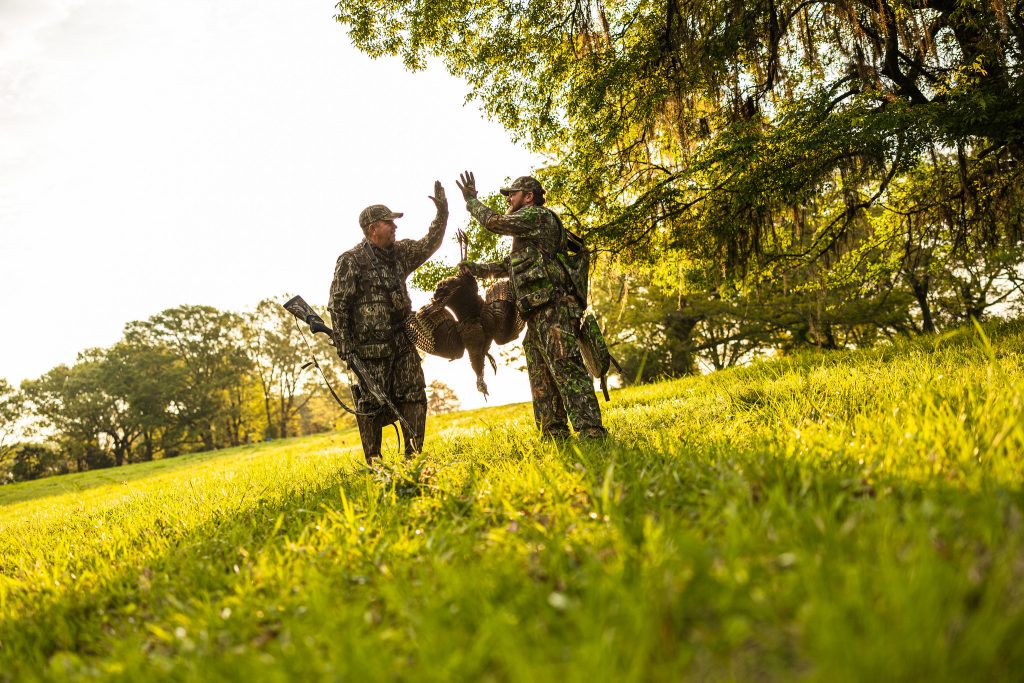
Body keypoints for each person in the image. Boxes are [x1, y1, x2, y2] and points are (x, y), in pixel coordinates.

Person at [455, 172, 607, 440]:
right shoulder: (527, 232)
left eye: (512, 194)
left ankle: (591, 432)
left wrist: (472, 201)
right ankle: (553, 434)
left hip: (555, 309)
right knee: (541, 376)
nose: (508, 198)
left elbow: (495, 222)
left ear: (529, 197)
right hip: (537, 314)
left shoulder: (536, 216)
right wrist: (476, 269)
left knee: (565, 367)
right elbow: (508, 266)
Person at [328, 181, 448, 464]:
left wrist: (442, 214)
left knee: (414, 394)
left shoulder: (401, 253)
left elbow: (430, 244)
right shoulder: (351, 260)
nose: (395, 227)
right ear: (372, 228)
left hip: (402, 340)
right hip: (369, 350)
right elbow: (338, 305)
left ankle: (413, 458)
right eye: (388, 222)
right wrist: (345, 345)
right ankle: (375, 461)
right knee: (371, 404)